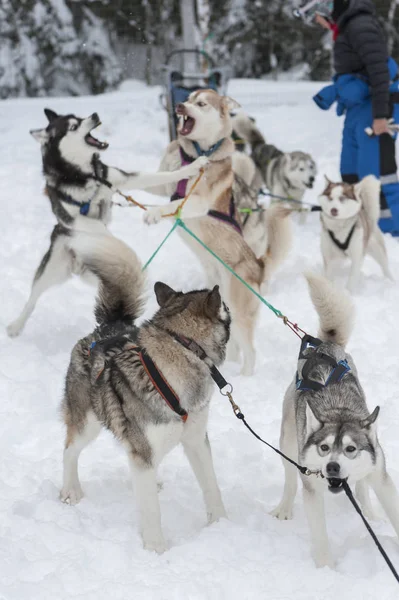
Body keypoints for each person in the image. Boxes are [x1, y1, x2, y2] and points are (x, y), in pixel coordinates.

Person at [297, 0, 399, 236]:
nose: (319, 24)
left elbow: (379, 71)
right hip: (358, 108)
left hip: (376, 108)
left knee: (374, 174)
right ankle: (359, 219)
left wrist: (381, 116)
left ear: (324, 8)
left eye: (316, 18)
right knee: (351, 169)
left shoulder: (360, 25)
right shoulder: (347, 27)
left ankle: (389, 229)